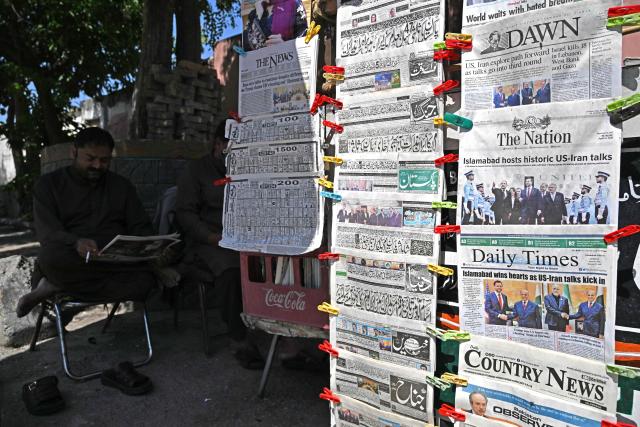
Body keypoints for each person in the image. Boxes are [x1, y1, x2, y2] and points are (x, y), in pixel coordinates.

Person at [16, 128, 156, 317]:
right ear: (74, 153)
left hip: (114, 261)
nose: (97, 165)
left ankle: (54, 287)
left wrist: (147, 244)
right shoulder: (48, 185)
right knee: (51, 259)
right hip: (73, 258)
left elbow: (140, 225)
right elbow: (47, 233)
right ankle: (64, 284)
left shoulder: (122, 186)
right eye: (90, 159)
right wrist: (76, 242)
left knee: (148, 281)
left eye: (104, 160)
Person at [176, 121, 263, 369]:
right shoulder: (196, 171)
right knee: (232, 270)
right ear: (218, 145)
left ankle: (287, 338)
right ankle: (239, 338)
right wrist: (211, 237)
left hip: (245, 236)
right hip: (208, 240)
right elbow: (185, 214)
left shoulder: (247, 167)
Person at [242, 0, 309, 51]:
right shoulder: (254, 13)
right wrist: (258, 17)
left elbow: (303, 40)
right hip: (260, 65)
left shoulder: (293, 4)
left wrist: (285, 46)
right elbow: (246, 48)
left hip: (286, 63)